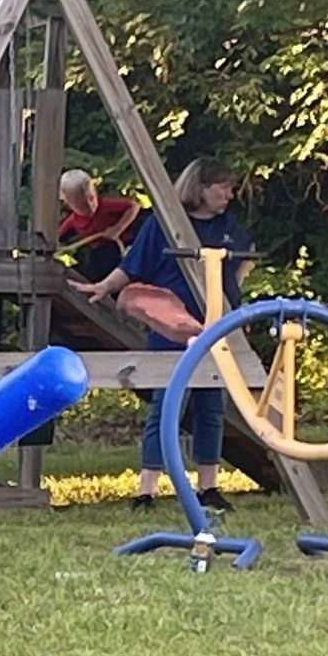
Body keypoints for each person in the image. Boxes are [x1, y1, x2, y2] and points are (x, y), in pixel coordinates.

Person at [84, 157, 253, 512]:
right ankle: (147, 489)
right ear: (200, 188)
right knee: (167, 406)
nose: (229, 195)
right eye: (222, 187)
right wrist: (104, 286)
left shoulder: (228, 226)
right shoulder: (164, 224)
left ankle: (208, 487)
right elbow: (133, 266)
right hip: (171, 328)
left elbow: (244, 260)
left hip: (216, 326)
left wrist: (233, 299)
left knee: (211, 408)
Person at [57, 167, 140, 284]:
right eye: (82, 205)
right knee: (93, 270)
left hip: (125, 243)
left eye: (91, 198)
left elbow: (133, 206)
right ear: (69, 205)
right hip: (102, 250)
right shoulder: (73, 221)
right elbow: (57, 235)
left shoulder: (105, 205)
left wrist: (118, 228)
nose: (90, 206)